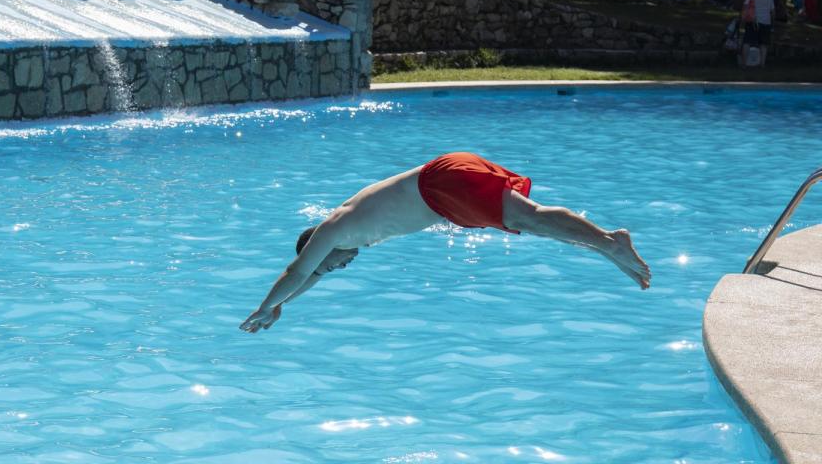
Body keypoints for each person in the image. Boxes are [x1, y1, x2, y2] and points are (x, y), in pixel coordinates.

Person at [240, 152, 652, 332]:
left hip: (442, 187)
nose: (341, 267)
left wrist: (264, 306)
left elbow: (299, 272)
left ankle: (610, 241)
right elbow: (310, 277)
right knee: (532, 224)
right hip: (443, 195)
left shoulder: (335, 228)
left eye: (331, 264)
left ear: (321, 249)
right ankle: (606, 246)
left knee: (531, 218)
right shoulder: (347, 233)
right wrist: (280, 306)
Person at [741, 0, 775, 67]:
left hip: (753, 20)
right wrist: (772, 24)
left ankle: (744, 63)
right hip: (766, 22)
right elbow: (772, 12)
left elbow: (745, 7)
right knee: (763, 44)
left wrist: (742, 19)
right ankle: (762, 63)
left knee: (747, 41)